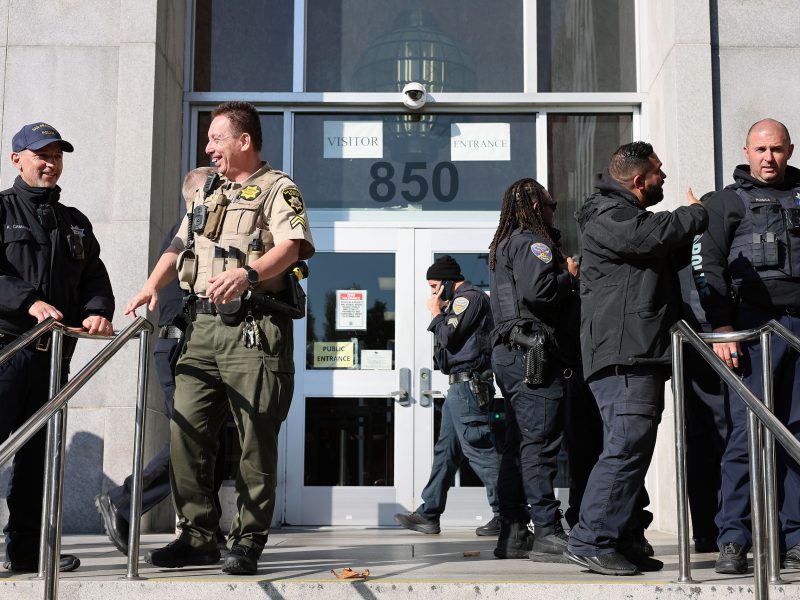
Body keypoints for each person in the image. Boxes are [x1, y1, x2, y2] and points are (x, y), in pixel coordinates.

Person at [125, 101, 314, 576]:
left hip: (254, 327)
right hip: (202, 328)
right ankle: (196, 537)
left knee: (255, 438)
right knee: (185, 428)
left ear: (243, 141)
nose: (208, 148)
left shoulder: (278, 188)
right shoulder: (209, 190)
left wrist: (248, 274)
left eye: (216, 139)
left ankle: (247, 540)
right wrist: (152, 284)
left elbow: (291, 247)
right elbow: (177, 245)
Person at [565, 141, 706, 576]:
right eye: (659, 171)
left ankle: (623, 535)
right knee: (626, 447)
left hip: (637, 354)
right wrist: (701, 212)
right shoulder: (612, 216)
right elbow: (652, 236)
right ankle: (591, 539)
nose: (664, 176)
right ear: (640, 179)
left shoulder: (623, 217)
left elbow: (658, 248)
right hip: (625, 357)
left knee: (632, 448)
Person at [94, 167, 229, 555]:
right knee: (191, 437)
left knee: (209, 439)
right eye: (218, 187)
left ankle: (206, 530)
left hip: (198, 347)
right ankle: (124, 501)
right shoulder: (190, 232)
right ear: (195, 197)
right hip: (182, 347)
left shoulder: (208, 230)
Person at [0, 122, 115, 572]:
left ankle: (27, 553)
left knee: (36, 461)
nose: (50, 163)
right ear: (17, 160)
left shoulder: (75, 222)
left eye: (57, 155)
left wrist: (97, 309)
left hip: (53, 363)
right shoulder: (2, 209)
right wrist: (29, 301)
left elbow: (93, 276)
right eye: (40, 155)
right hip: (9, 351)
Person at [692, 118, 800, 574]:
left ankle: (793, 538)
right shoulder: (724, 203)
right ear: (746, 150)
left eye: (776, 149)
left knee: (796, 433)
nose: (768, 158)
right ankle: (734, 539)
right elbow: (707, 267)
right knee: (745, 435)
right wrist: (722, 330)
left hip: (797, 328)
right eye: (760, 149)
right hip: (751, 331)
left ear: (790, 150)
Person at [487, 178, 580, 563]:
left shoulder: (503, 245)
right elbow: (539, 293)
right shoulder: (532, 243)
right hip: (533, 355)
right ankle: (546, 530)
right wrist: (569, 274)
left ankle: (512, 532)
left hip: (512, 354)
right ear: (536, 207)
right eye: (551, 204)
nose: (553, 210)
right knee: (539, 447)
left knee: (518, 446)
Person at [394, 255, 501, 537]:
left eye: (433, 286)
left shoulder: (469, 298)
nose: (432, 292)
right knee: (446, 452)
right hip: (459, 386)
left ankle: (509, 514)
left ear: (446, 281)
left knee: (479, 451)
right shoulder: (456, 301)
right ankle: (429, 513)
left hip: (469, 385)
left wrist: (435, 312)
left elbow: (448, 337)